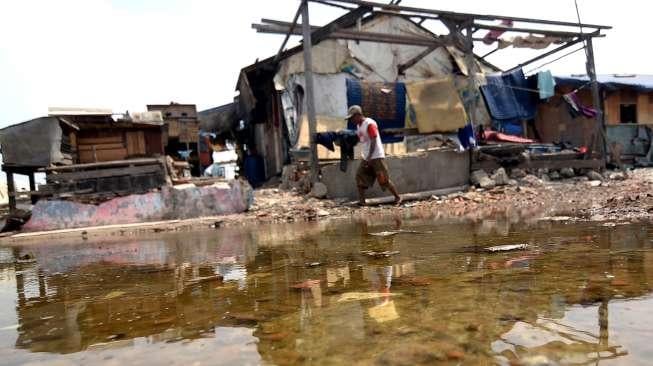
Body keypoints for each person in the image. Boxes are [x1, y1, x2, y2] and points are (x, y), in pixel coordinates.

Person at [346, 105, 401, 206]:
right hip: (366, 156)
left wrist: (370, 157)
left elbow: (374, 140)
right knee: (360, 177)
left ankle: (397, 197)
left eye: (352, 118)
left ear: (358, 115)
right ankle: (362, 201)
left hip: (376, 156)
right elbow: (362, 140)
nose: (351, 120)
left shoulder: (369, 123)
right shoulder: (359, 126)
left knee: (383, 179)